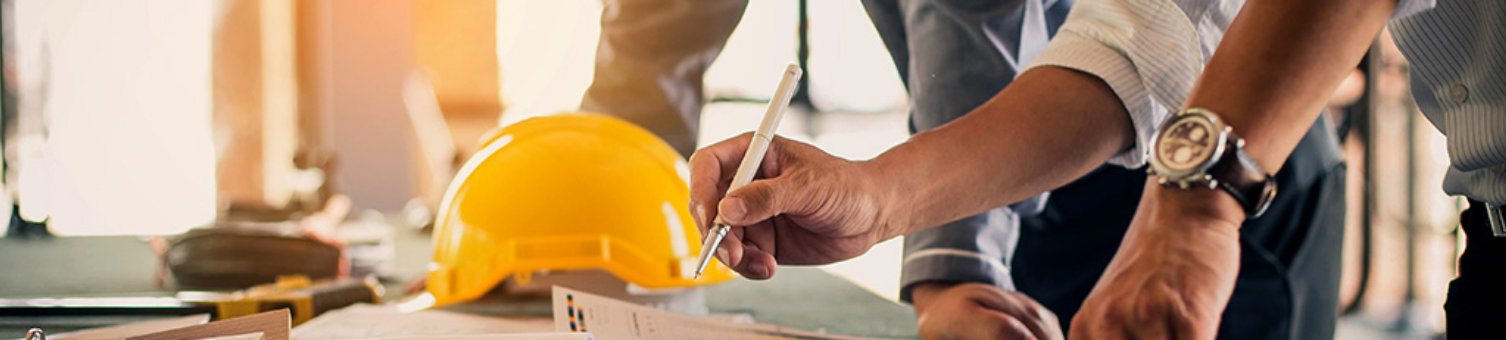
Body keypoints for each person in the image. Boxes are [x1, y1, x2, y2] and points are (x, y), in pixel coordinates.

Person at [686, 0, 1493, 338]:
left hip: (1245, 186)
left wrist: (1194, 206)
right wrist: (877, 197)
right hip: (1087, 161)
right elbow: (1149, 31)